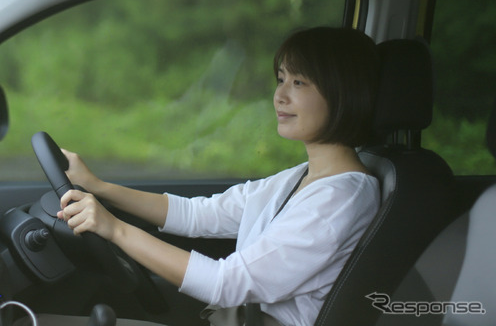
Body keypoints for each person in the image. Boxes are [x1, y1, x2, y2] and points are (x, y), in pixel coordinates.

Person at [51, 27, 381, 326]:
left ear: (342, 92)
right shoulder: (302, 176)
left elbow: (227, 284)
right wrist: (99, 187)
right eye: (281, 79)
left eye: (299, 83)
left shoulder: (339, 199)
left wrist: (115, 229)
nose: (280, 95)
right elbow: (198, 214)